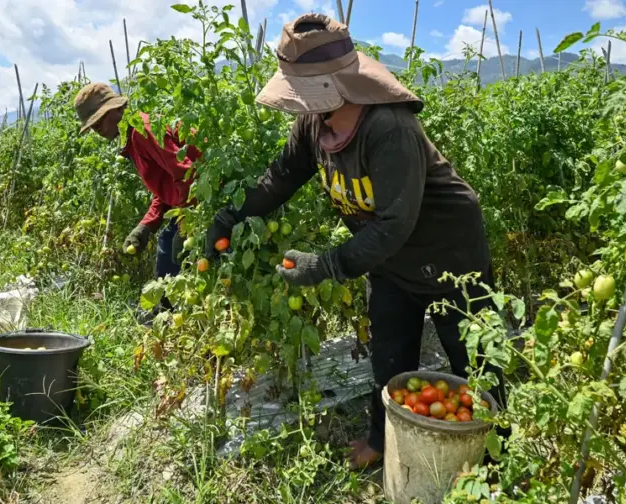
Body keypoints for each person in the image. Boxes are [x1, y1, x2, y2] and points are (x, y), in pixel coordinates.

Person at [204, 14, 506, 469]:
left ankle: (500, 457)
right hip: (387, 260)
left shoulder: (389, 128)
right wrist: (230, 217)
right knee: (389, 356)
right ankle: (383, 442)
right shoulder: (313, 124)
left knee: (475, 361)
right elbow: (280, 178)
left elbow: (394, 224)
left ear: (335, 85)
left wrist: (324, 265)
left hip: (450, 257)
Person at [75, 83, 200, 310]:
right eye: (92, 125)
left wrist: (186, 225)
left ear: (116, 110)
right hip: (190, 203)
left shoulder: (143, 130)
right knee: (167, 252)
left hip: (204, 200)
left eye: (98, 121)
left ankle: (172, 321)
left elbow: (188, 174)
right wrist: (146, 225)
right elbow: (167, 184)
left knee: (173, 262)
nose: (97, 129)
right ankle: (169, 321)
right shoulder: (134, 137)